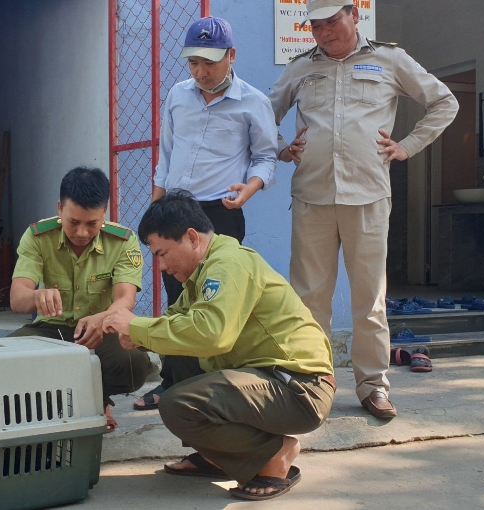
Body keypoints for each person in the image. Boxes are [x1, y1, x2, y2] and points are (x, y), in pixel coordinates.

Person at [268, 0, 458, 419]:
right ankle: (312, 384)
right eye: (315, 25)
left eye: (332, 21)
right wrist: (279, 149)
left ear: (354, 15)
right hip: (312, 199)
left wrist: (407, 146)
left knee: (369, 299)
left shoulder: (390, 59)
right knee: (308, 299)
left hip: (368, 197)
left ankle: (373, 387)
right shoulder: (301, 67)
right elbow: (264, 114)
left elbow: (444, 102)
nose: (323, 32)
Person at [103, 190, 335, 501]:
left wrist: (136, 327)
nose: (159, 266)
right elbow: (177, 323)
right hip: (268, 379)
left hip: (299, 387)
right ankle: (215, 456)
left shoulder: (228, 263)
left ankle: (274, 455)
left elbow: (213, 335)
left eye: (161, 253)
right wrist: (135, 334)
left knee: (177, 404)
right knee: (180, 356)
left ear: (191, 238)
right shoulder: (201, 274)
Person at [136, 15, 279, 411]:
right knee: (177, 297)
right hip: (176, 211)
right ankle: (172, 382)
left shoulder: (253, 101)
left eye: (210, 63)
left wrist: (248, 189)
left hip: (222, 213)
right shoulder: (178, 95)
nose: (200, 72)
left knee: (217, 300)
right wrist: (157, 204)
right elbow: (164, 155)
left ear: (231, 56)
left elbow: (266, 158)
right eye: (193, 63)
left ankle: (216, 383)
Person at [8, 166, 153, 433]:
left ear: (104, 213)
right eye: (74, 222)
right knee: (5, 359)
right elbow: (17, 298)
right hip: (50, 330)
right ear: (60, 208)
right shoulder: (38, 236)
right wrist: (37, 296)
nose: (83, 233)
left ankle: (98, 400)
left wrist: (102, 319)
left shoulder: (123, 241)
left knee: (134, 364)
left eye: (92, 224)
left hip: (102, 330)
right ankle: (58, 411)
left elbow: (125, 298)